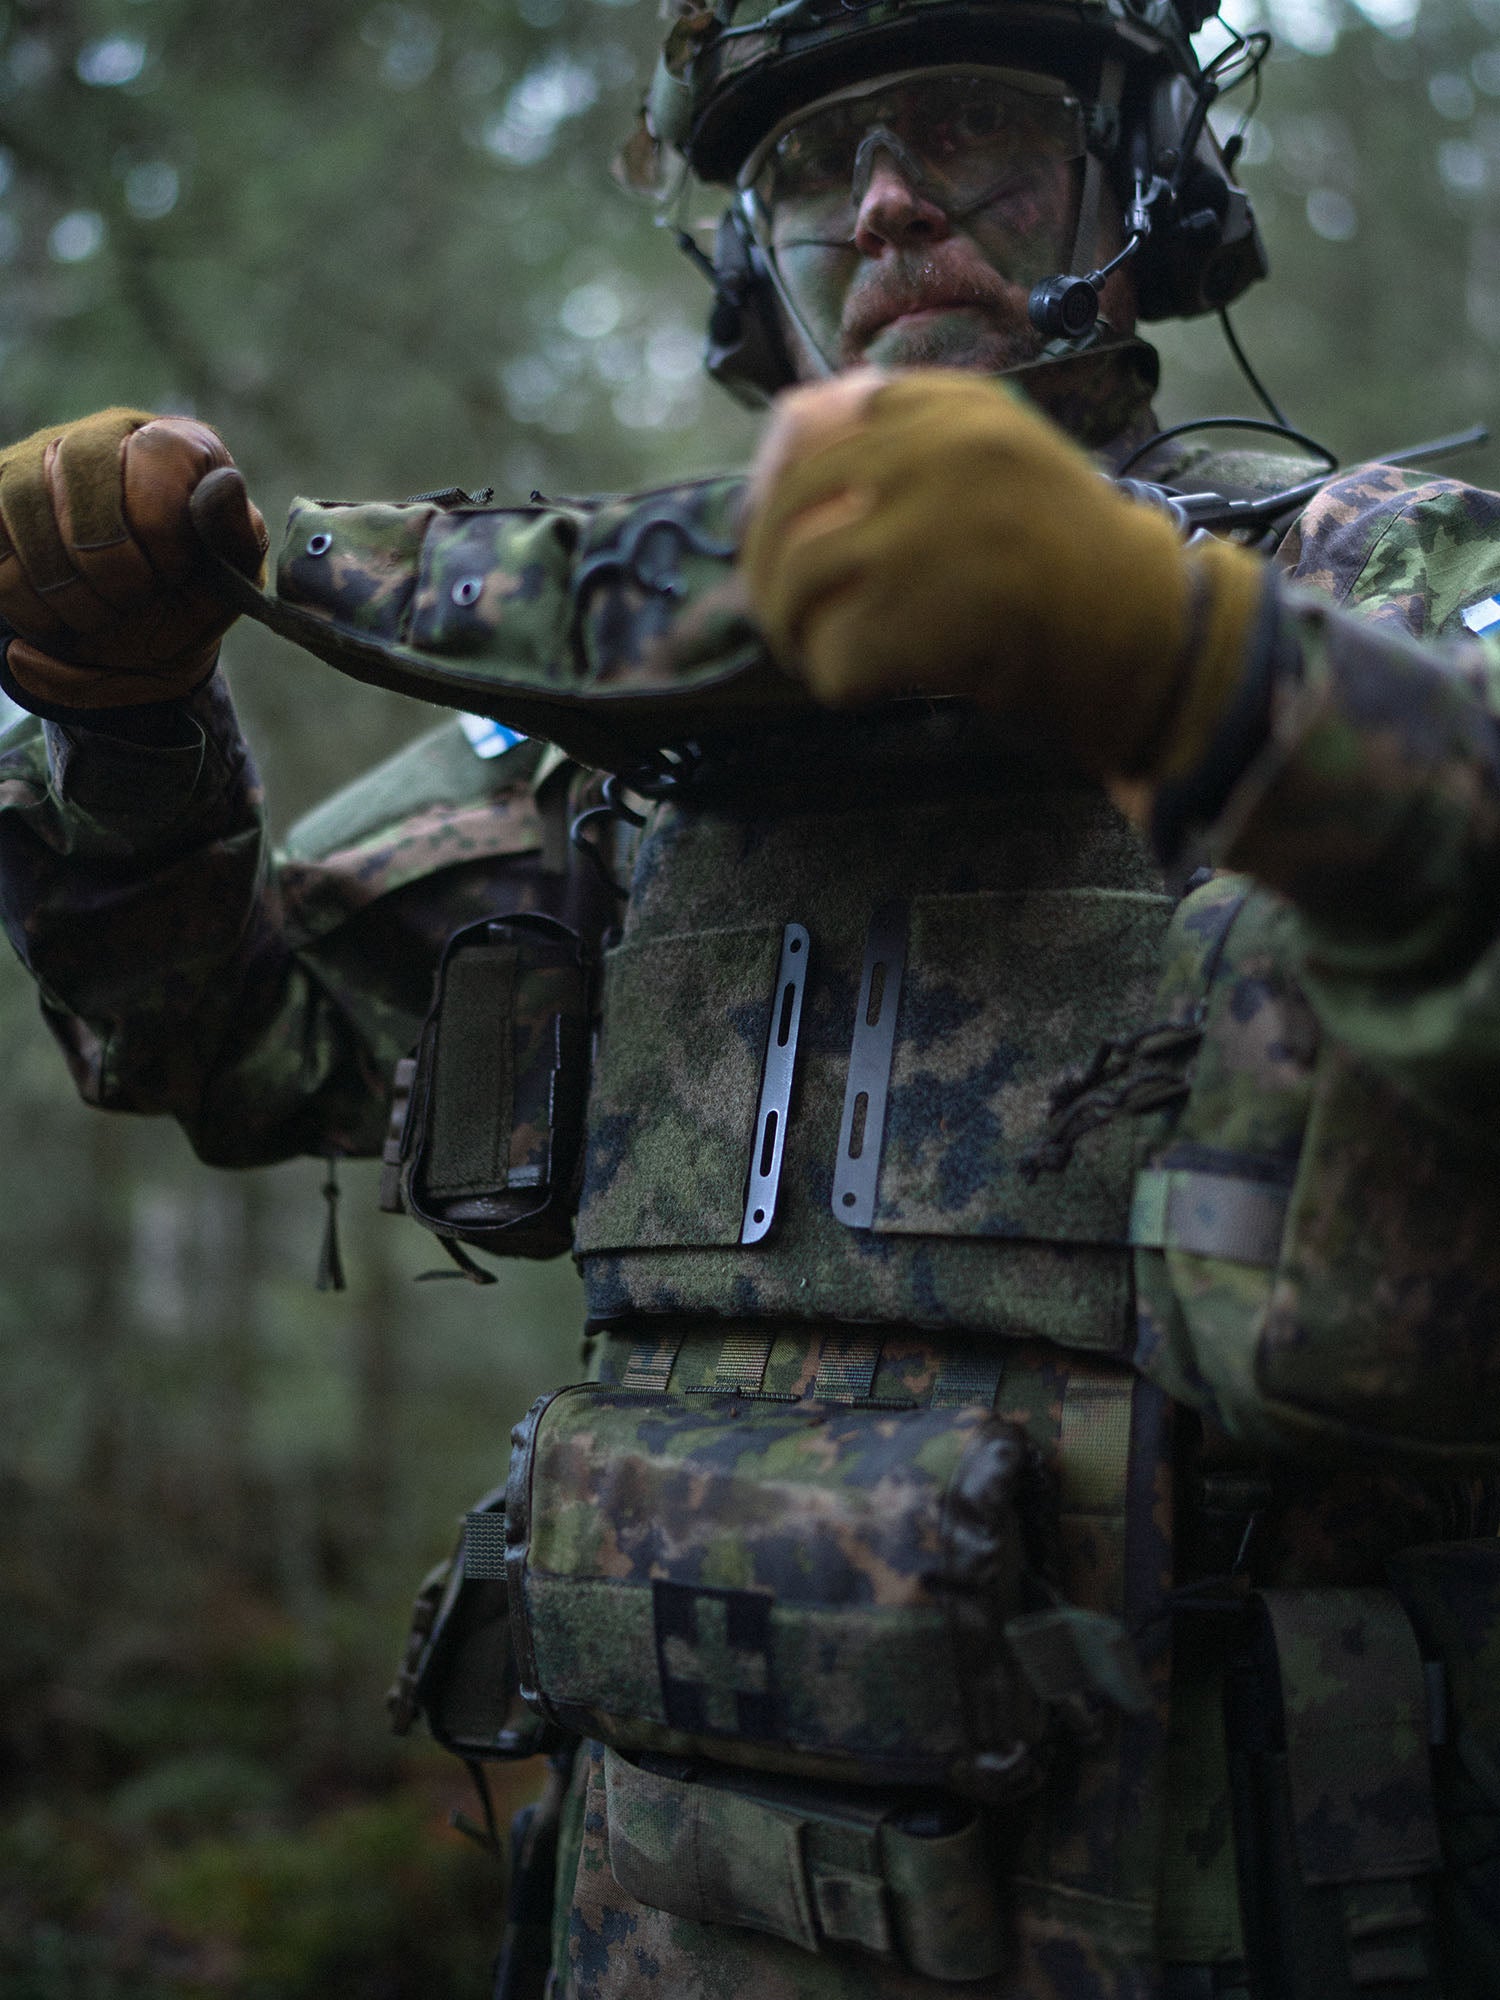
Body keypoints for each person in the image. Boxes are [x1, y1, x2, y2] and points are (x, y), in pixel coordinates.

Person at [3, 0, 1500, 1991]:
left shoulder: (1369, 589)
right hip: (664, 1909)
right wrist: (125, 730)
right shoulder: (635, 710)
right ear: (745, 262)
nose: (885, 202)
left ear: (1134, 177)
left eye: (965, 125)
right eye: (807, 165)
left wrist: (1198, 675)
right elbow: (239, 1041)